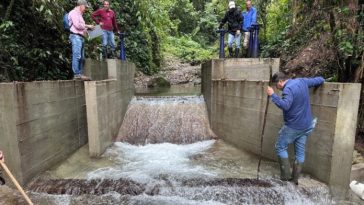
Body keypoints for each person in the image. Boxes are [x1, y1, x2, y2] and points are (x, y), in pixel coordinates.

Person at [266, 72, 324, 185]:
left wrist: (273, 95)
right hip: (306, 125)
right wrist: (322, 79)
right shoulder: (302, 81)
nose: (277, 88)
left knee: (280, 147)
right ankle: (295, 179)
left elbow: (285, 105)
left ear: (280, 82)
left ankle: (285, 178)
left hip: (293, 126)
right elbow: (319, 79)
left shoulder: (288, 89)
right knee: (300, 153)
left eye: (276, 85)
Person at [68, 0, 95, 80]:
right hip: (75, 37)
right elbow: (77, 25)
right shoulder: (73, 13)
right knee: (77, 56)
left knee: (82, 58)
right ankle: (76, 74)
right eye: (85, 7)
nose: (85, 9)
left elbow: (82, 27)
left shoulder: (80, 15)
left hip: (81, 37)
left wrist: (89, 31)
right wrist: (88, 26)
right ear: (81, 5)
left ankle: (80, 74)